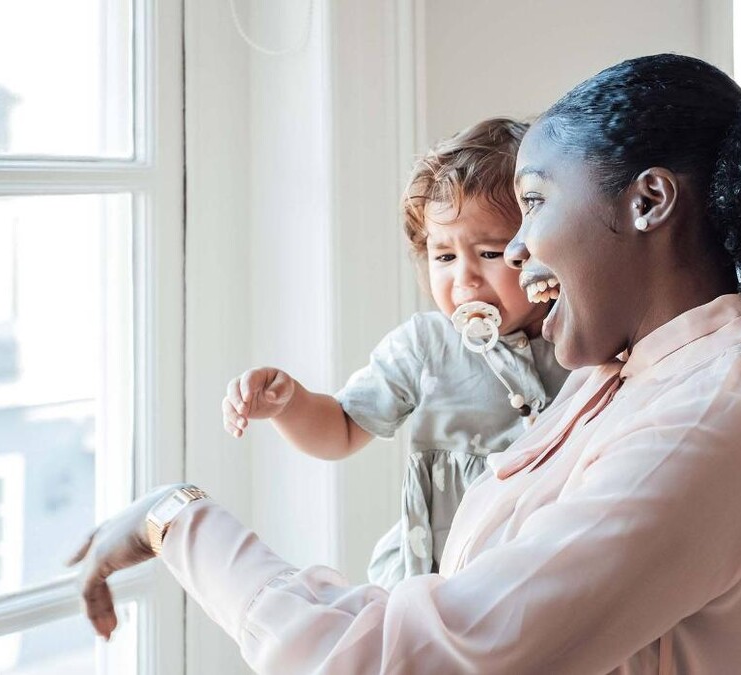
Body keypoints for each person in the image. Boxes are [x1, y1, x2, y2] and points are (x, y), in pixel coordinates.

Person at [70, 54, 741, 673]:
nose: (517, 250)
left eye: (538, 202)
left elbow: (380, 663)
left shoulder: (703, 421)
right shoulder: (630, 370)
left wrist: (173, 517)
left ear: (650, 200)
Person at [219, 117, 570, 589]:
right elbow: (340, 429)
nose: (463, 281)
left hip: (549, 564)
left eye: (489, 254)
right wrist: (291, 405)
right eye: (443, 257)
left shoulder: (579, 330)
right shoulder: (425, 346)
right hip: (442, 575)